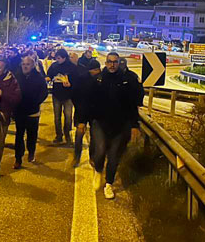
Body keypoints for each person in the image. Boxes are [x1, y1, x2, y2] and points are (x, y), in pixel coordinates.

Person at [89, 52, 144, 200]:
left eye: (115, 62)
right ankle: (98, 171)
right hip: (100, 123)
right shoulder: (98, 80)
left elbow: (132, 104)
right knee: (100, 150)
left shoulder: (127, 81)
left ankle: (109, 184)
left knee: (114, 156)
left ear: (119, 63)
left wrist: (134, 125)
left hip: (120, 125)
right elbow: (89, 101)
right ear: (106, 63)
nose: (112, 65)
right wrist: (85, 120)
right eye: (110, 62)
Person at [13, 56, 48, 168]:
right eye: (23, 64)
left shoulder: (39, 77)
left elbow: (44, 93)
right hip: (19, 111)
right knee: (19, 135)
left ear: (32, 66)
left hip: (33, 111)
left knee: (32, 135)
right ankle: (18, 158)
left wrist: (35, 102)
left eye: (28, 64)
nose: (25, 66)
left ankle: (31, 152)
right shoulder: (17, 76)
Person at [72, 59, 102, 166]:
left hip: (95, 114)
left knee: (94, 136)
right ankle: (76, 157)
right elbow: (75, 98)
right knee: (79, 135)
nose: (97, 72)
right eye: (95, 70)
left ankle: (92, 157)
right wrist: (80, 120)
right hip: (82, 112)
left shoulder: (101, 79)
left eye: (98, 70)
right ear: (90, 70)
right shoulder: (81, 79)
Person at [46, 48, 78, 145]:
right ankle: (59, 135)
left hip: (68, 96)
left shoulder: (72, 67)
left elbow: (77, 81)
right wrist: (47, 78)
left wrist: (70, 84)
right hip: (56, 94)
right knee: (57, 117)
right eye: (56, 58)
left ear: (64, 58)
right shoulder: (54, 66)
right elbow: (49, 75)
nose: (57, 60)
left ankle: (67, 134)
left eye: (59, 58)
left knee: (68, 117)